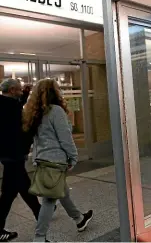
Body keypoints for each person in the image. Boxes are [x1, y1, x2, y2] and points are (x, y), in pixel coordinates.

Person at [22, 79, 93, 242]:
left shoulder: (35, 112)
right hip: (55, 160)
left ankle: (79, 219)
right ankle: (39, 238)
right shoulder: (55, 111)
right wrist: (73, 156)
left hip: (42, 159)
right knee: (49, 198)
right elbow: (65, 138)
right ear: (54, 92)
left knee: (61, 191)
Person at [0, 79, 41, 242]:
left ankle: (41, 212)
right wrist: (26, 148)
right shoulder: (11, 107)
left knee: (23, 186)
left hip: (6, 155)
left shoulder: (4, 104)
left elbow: (16, 107)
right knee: (9, 193)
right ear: (11, 90)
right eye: (18, 90)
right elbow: (20, 132)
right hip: (14, 155)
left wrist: (24, 94)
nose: (19, 92)